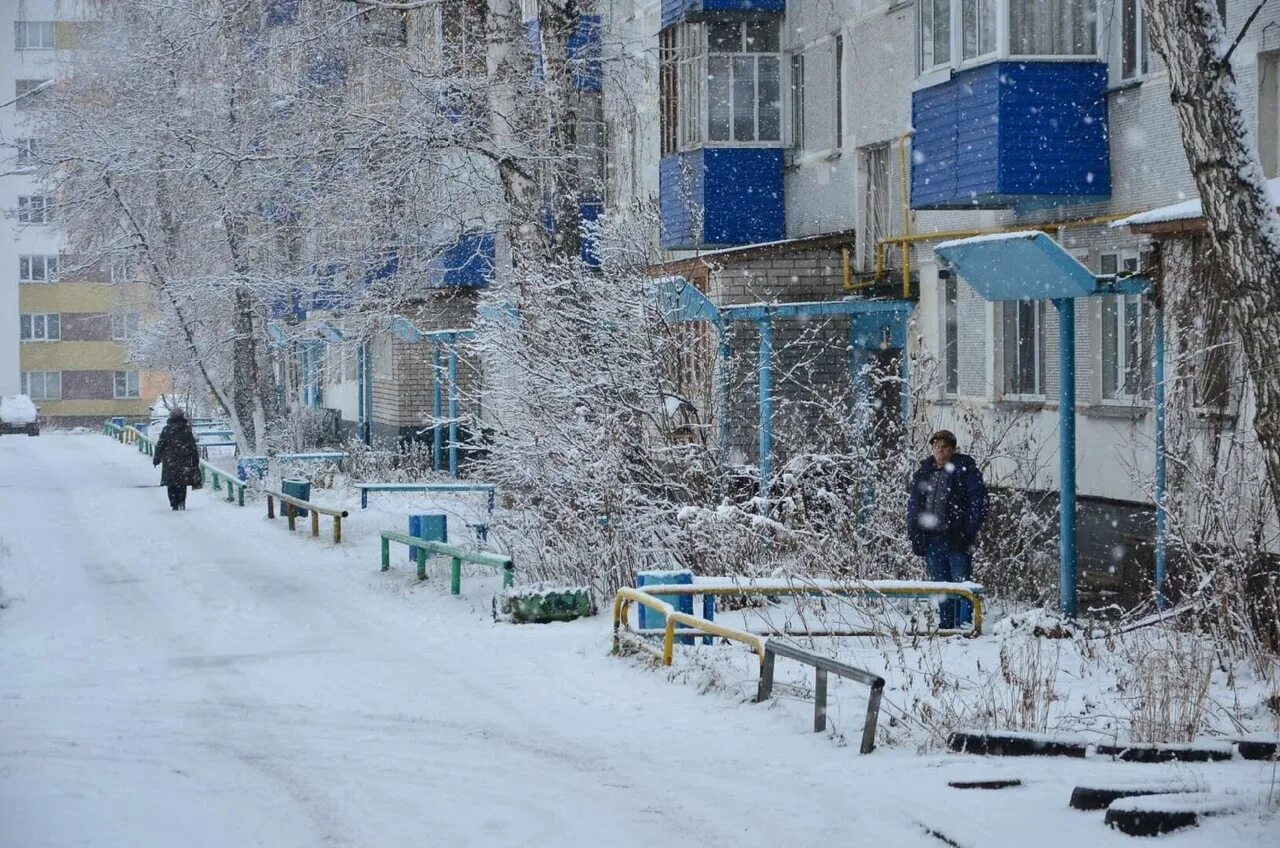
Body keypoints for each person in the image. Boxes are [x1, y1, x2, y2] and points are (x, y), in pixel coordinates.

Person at [906, 429, 989, 629]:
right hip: (932, 538)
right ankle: (946, 624)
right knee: (940, 585)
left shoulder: (965, 471)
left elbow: (978, 503)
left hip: (956, 537)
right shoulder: (924, 473)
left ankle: (964, 626)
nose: (939, 451)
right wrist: (915, 533)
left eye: (944, 447)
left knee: (961, 585)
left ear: (952, 449)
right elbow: (914, 505)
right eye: (936, 447)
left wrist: (967, 531)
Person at [153, 407, 201, 511]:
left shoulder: (167, 429)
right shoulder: (186, 429)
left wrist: (157, 458)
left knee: (171, 484)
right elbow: (192, 446)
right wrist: (195, 459)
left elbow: (160, 444)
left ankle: (174, 503)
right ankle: (181, 501)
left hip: (170, 461)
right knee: (182, 483)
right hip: (184, 460)